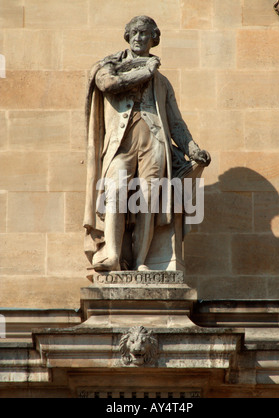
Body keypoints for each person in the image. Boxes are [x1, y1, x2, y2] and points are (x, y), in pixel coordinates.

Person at [83, 15, 211, 272]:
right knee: (116, 189)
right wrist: (145, 70)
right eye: (135, 33)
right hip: (121, 145)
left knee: (149, 201)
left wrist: (193, 148)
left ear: (154, 38)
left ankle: (142, 262)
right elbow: (107, 84)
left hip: (154, 142)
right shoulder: (110, 65)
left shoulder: (162, 83)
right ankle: (113, 255)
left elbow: (176, 123)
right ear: (128, 36)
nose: (139, 38)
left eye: (145, 34)